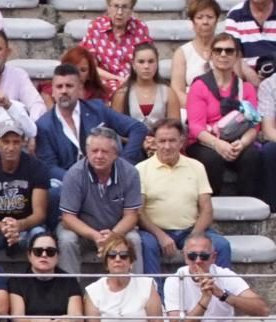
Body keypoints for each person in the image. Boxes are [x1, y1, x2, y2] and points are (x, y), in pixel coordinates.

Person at [137, 118, 232, 280]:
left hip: (190, 229)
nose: (167, 146)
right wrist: (161, 236)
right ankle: (157, 300)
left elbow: (206, 208)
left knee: (222, 246)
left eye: (172, 140)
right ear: (154, 142)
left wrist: (194, 236)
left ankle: (219, 296)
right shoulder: (140, 169)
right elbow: (138, 211)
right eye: (162, 141)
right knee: (146, 245)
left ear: (182, 141)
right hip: (155, 231)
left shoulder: (196, 167)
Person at [34, 64, 146, 202]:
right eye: (59, 87)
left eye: (69, 86)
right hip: (71, 183)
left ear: (80, 88)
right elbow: (50, 167)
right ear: (52, 91)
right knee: (53, 193)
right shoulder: (43, 125)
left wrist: (124, 162)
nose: (64, 91)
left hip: (108, 176)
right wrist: (82, 181)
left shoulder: (98, 109)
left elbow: (138, 128)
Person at [162, 233, 276, 322]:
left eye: (204, 256)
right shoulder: (174, 281)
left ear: (213, 257)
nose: (198, 261)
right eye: (192, 256)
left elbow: (263, 309)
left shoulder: (225, 275)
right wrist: (204, 301)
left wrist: (223, 295)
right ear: (185, 256)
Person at [57, 127, 142, 278]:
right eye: (94, 151)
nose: (99, 156)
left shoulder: (130, 173)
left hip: (116, 230)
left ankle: (134, 289)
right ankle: (71, 294)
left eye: (105, 151)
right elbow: (68, 217)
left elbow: (132, 215)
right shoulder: (74, 174)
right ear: (87, 152)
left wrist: (113, 235)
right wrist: (96, 236)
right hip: (82, 231)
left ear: (115, 154)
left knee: (133, 239)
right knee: (66, 240)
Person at [185, 34, 263, 196]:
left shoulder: (246, 88)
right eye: (218, 50)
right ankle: (211, 206)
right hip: (206, 141)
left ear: (236, 56)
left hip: (236, 140)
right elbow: (195, 126)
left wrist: (241, 143)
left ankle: (247, 205)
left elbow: (254, 124)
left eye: (229, 51)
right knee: (212, 159)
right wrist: (218, 144)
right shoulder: (199, 86)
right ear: (211, 55)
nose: (223, 55)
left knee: (252, 156)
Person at [0, 124, 48, 267]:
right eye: (6, 142)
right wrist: (3, 227)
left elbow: (40, 214)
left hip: (27, 227)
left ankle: (41, 282)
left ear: (23, 142)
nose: (11, 147)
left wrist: (19, 226)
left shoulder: (38, 167)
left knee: (40, 234)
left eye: (16, 142)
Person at [82, 237, 163, 322]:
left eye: (124, 256)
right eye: (112, 255)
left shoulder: (147, 284)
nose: (118, 259)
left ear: (131, 262)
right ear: (106, 263)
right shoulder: (93, 290)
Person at [8, 233, 84, 322]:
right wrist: (36, 321)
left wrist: (69, 320)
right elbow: (17, 316)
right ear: (29, 255)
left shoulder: (69, 280)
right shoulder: (17, 280)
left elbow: (78, 318)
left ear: (57, 256)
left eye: (50, 251)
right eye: (38, 251)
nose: (44, 255)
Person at [112, 43, 179, 146]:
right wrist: (139, 143)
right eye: (141, 62)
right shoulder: (122, 94)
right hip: (131, 147)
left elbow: (176, 128)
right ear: (133, 65)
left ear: (157, 64)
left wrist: (157, 143)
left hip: (163, 147)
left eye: (151, 61)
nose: (146, 66)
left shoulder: (168, 92)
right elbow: (115, 132)